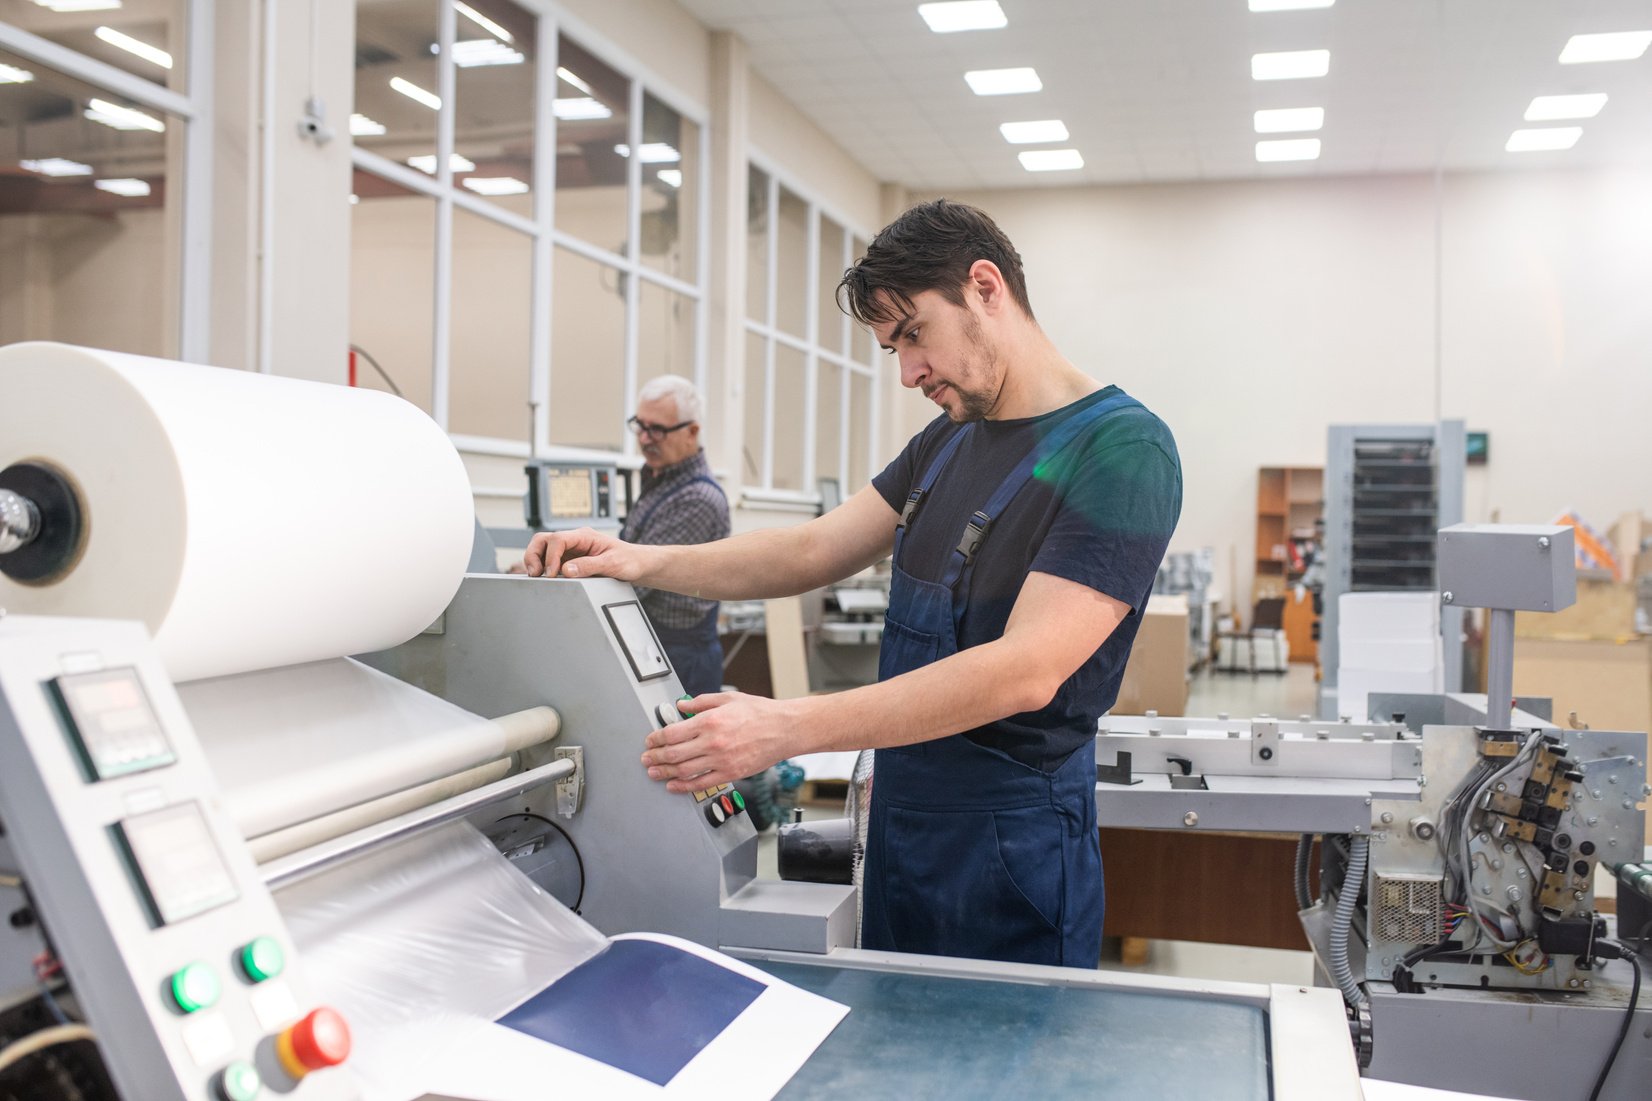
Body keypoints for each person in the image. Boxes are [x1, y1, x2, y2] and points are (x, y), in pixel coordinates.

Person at [525, 200, 1181, 967]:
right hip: (903, 830)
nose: (908, 372)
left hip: (1011, 853)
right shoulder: (946, 441)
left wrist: (786, 726)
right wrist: (635, 558)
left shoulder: (1122, 450)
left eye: (913, 334)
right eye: (891, 347)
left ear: (984, 286)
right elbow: (811, 549)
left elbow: (1026, 670)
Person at [620, 375, 730, 696]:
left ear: (692, 431)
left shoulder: (697, 499)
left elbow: (636, 579)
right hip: (655, 646)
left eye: (657, 429)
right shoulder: (658, 480)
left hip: (681, 659)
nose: (644, 438)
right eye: (640, 425)